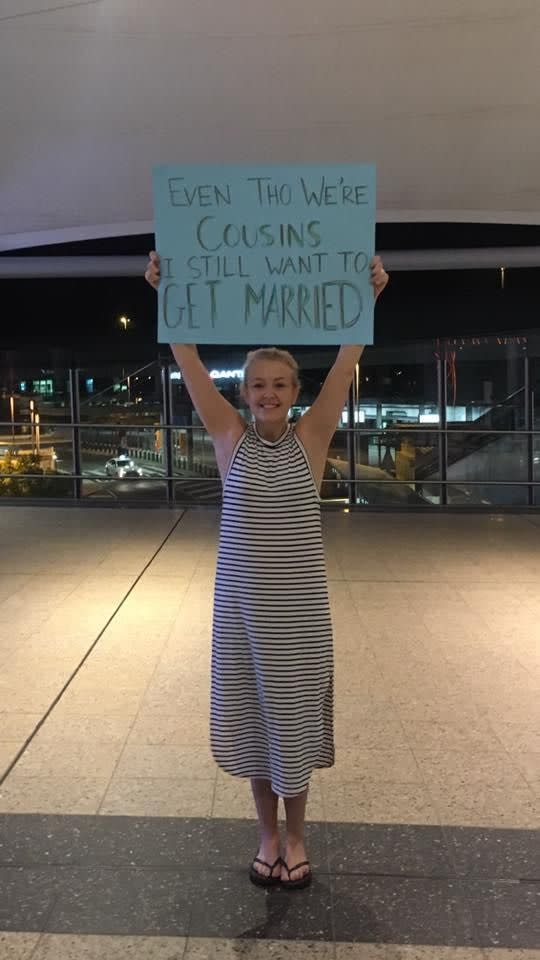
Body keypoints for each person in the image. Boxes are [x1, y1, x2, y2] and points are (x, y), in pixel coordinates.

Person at [145, 251, 389, 889]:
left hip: (300, 618)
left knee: (294, 724)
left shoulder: (312, 439)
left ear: (295, 394)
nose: (270, 394)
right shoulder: (229, 437)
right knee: (255, 724)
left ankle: (299, 836)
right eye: (259, 385)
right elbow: (188, 361)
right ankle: (265, 835)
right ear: (244, 393)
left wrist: (367, 297)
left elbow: (344, 363)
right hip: (242, 615)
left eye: (280, 385)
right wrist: (166, 291)